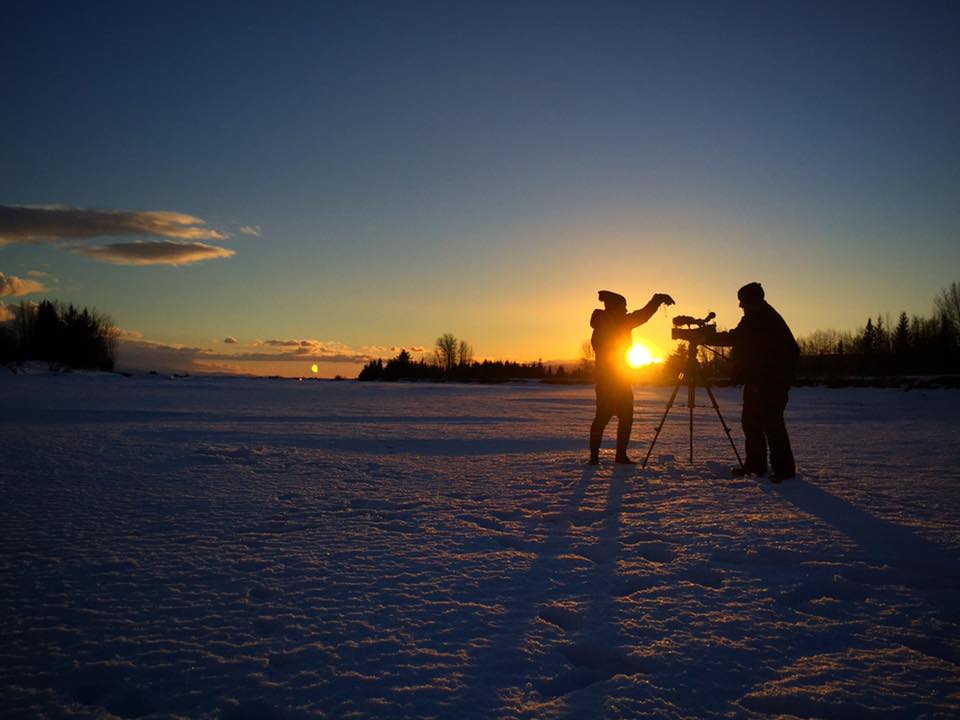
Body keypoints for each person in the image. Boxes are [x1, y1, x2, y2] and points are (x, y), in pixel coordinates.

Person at [715, 282, 799, 482]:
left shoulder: (764, 319)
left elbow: (737, 338)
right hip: (758, 381)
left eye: (742, 302)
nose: (740, 306)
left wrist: (706, 337)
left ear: (753, 301)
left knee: (772, 424)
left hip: (772, 382)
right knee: (752, 423)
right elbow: (741, 341)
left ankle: (784, 471)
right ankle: (755, 466)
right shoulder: (755, 317)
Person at [589, 289, 675, 465]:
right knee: (612, 418)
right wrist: (656, 300)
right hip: (613, 381)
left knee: (611, 418)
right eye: (623, 307)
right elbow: (641, 316)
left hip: (614, 379)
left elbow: (638, 316)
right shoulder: (615, 322)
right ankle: (609, 456)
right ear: (614, 308)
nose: (626, 310)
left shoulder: (605, 322)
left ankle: (602, 457)